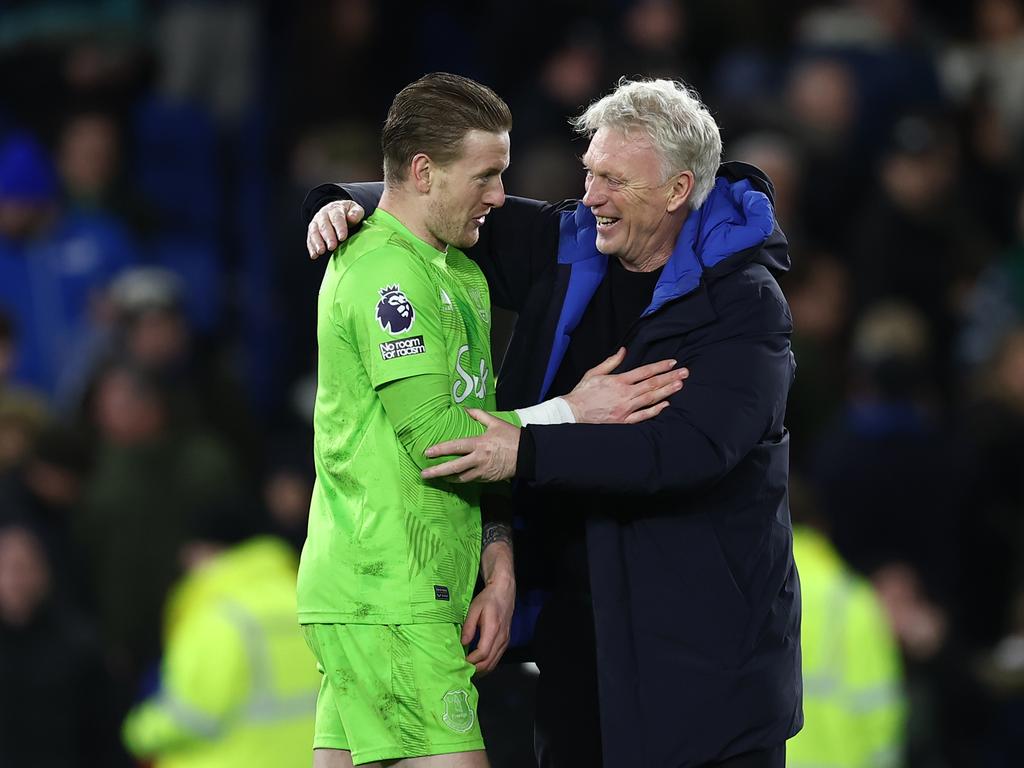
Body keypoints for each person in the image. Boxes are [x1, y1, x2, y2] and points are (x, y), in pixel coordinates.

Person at [305, 77, 802, 768]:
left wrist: (530, 449)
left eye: (613, 181)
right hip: (582, 649)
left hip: (703, 670)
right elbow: (430, 200)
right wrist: (341, 204)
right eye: (590, 173)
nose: (591, 195)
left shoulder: (744, 305)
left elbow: (684, 451)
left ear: (677, 189)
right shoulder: (571, 246)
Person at [122, 504, 320, 767]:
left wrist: (138, 732)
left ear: (208, 551)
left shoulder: (217, 616)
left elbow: (191, 717)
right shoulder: (302, 599)